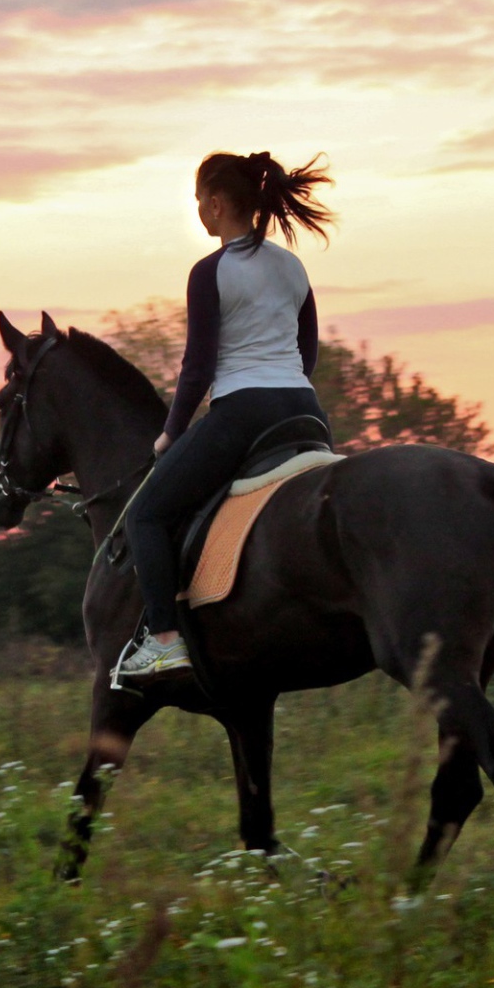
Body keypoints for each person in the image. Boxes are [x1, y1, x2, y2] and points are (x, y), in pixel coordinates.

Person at [113, 151, 335, 686]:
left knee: (147, 514)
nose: (198, 214)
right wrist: (284, 382)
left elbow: (197, 367)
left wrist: (172, 432)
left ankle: (164, 641)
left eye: (198, 203)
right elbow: (309, 351)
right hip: (305, 410)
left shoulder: (211, 272)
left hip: (244, 411)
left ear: (215, 203)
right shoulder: (292, 265)